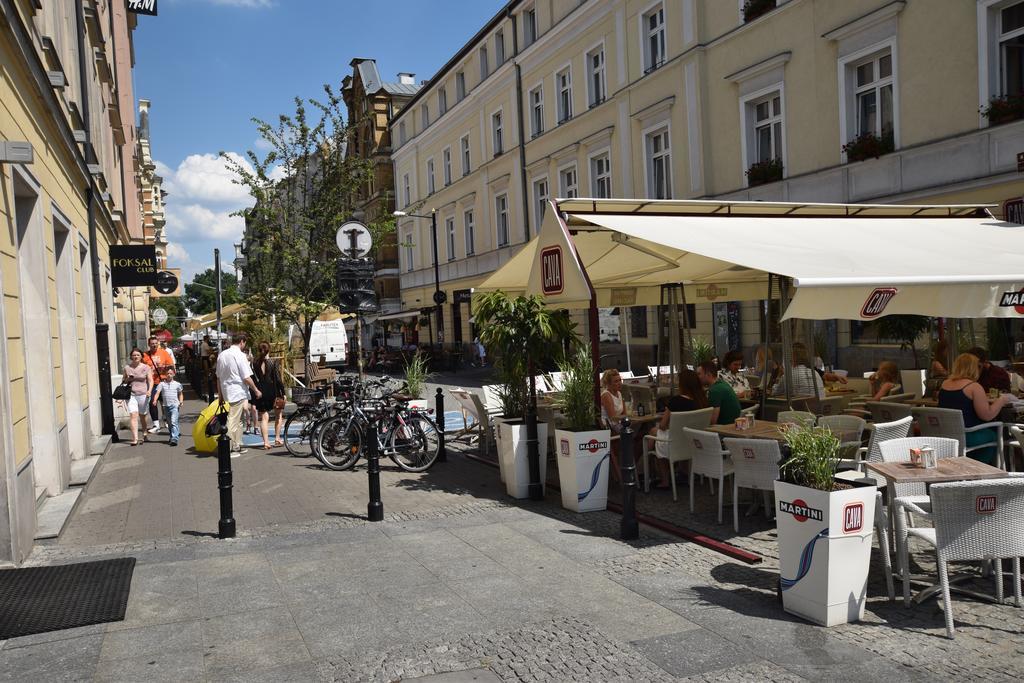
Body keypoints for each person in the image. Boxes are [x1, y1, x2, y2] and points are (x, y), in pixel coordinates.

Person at [938, 353, 1010, 465]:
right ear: (973, 368)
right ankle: (980, 467)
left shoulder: (944, 384)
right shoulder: (974, 387)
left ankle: (968, 464)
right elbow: (987, 415)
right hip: (968, 435)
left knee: (987, 433)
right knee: (993, 434)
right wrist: (1001, 400)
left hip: (947, 434)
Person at [648, 369, 708, 488]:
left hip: (675, 443)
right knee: (659, 434)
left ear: (682, 385)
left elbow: (663, 425)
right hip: (694, 442)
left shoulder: (675, 401)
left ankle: (661, 477)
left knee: (654, 433)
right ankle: (682, 471)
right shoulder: (702, 401)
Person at [216, 332, 262, 455]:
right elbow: (246, 377)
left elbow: (218, 377)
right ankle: (228, 447)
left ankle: (237, 444)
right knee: (233, 419)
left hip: (227, 390)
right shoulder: (240, 355)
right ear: (242, 342)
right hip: (237, 391)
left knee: (238, 419)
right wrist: (256, 390)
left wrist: (220, 395)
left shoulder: (222, 355)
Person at [252, 341, 286, 449]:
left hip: (261, 390)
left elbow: (253, 377)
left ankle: (266, 442)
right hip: (273, 390)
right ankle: (277, 438)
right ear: (269, 350)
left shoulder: (255, 362)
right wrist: (283, 392)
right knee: (278, 415)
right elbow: (277, 378)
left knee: (264, 417)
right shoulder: (273, 362)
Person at [142, 336, 175, 433]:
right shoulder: (145, 355)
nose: (154, 345)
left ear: (158, 344)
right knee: (152, 402)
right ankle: (156, 425)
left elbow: (171, 367)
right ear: (149, 344)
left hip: (164, 382)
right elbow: (141, 368)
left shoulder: (164, 353)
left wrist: (163, 368)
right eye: (152, 343)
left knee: (166, 403)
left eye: (156, 343)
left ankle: (166, 420)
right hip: (152, 383)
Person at [122, 348, 153, 446]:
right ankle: (135, 438)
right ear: (131, 357)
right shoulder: (127, 368)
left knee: (143, 416)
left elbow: (150, 380)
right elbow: (124, 381)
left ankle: (144, 432)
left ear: (141, 357)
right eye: (134, 355)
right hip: (131, 394)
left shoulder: (146, 367)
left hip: (143, 394)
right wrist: (128, 378)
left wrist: (149, 391)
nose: (135, 357)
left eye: (138, 355)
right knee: (133, 415)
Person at [698, 361, 742, 426]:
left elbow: (712, 421)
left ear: (708, 374)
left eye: (699, 374)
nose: (697, 377)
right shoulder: (722, 383)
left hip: (725, 429)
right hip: (734, 426)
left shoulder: (715, 390)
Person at [152, 366, 184, 447]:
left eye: (171, 373)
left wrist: (181, 401)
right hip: (166, 406)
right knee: (169, 423)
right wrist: (155, 400)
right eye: (167, 374)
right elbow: (157, 393)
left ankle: (175, 438)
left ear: (174, 374)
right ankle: (172, 436)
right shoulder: (161, 384)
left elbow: (180, 394)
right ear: (165, 375)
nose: (169, 375)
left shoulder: (177, 384)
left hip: (174, 405)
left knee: (173, 421)